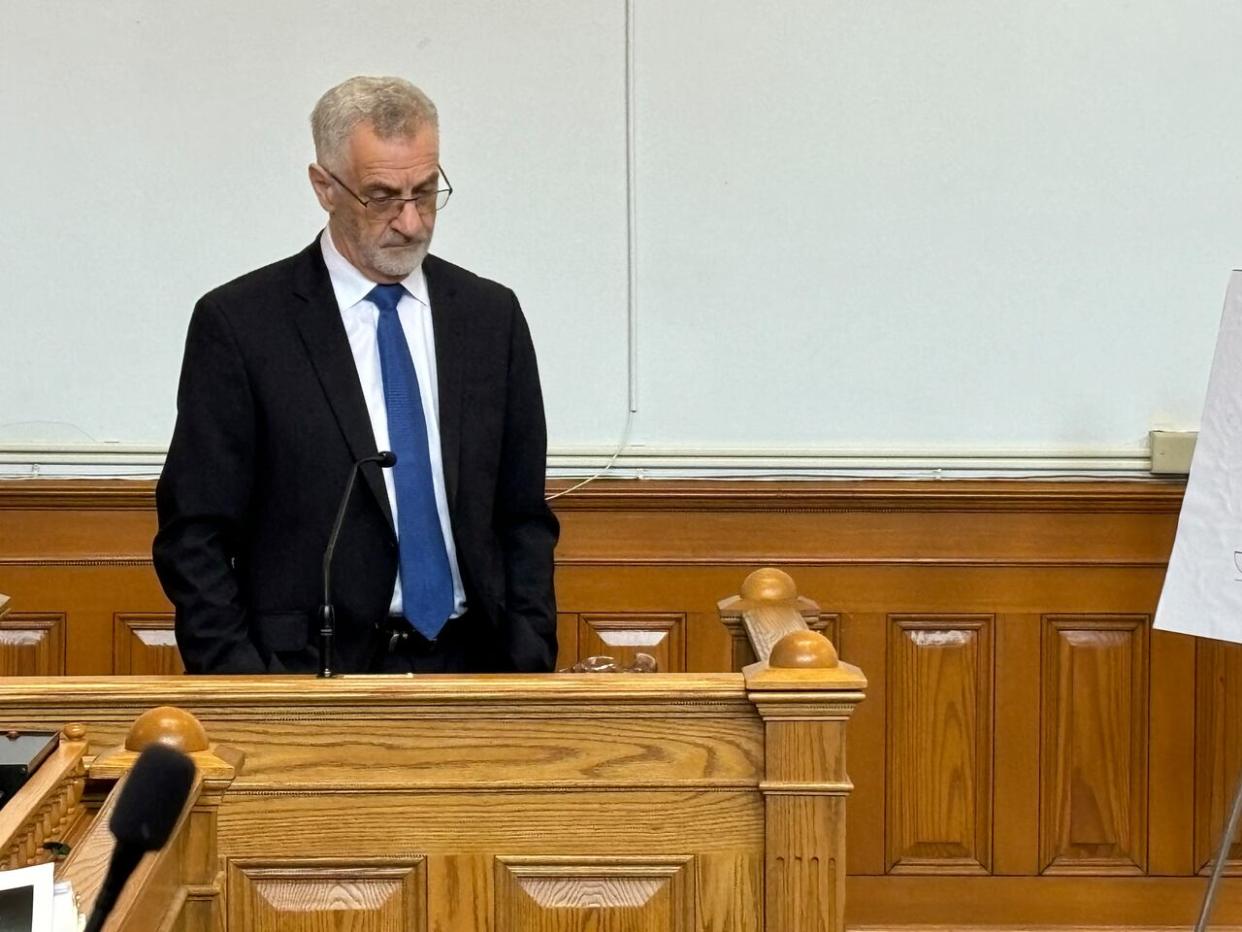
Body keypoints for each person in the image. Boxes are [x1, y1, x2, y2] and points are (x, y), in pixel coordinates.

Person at [153, 76, 558, 675]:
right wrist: (241, 681)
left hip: (475, 667)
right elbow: (195, 532)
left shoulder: (489, 316)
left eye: (425, 191)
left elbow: (522, 515)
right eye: (382, 196)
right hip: (304, 674)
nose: (412, 221)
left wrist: (528, 656)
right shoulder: (241, 323)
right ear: (325, 187)